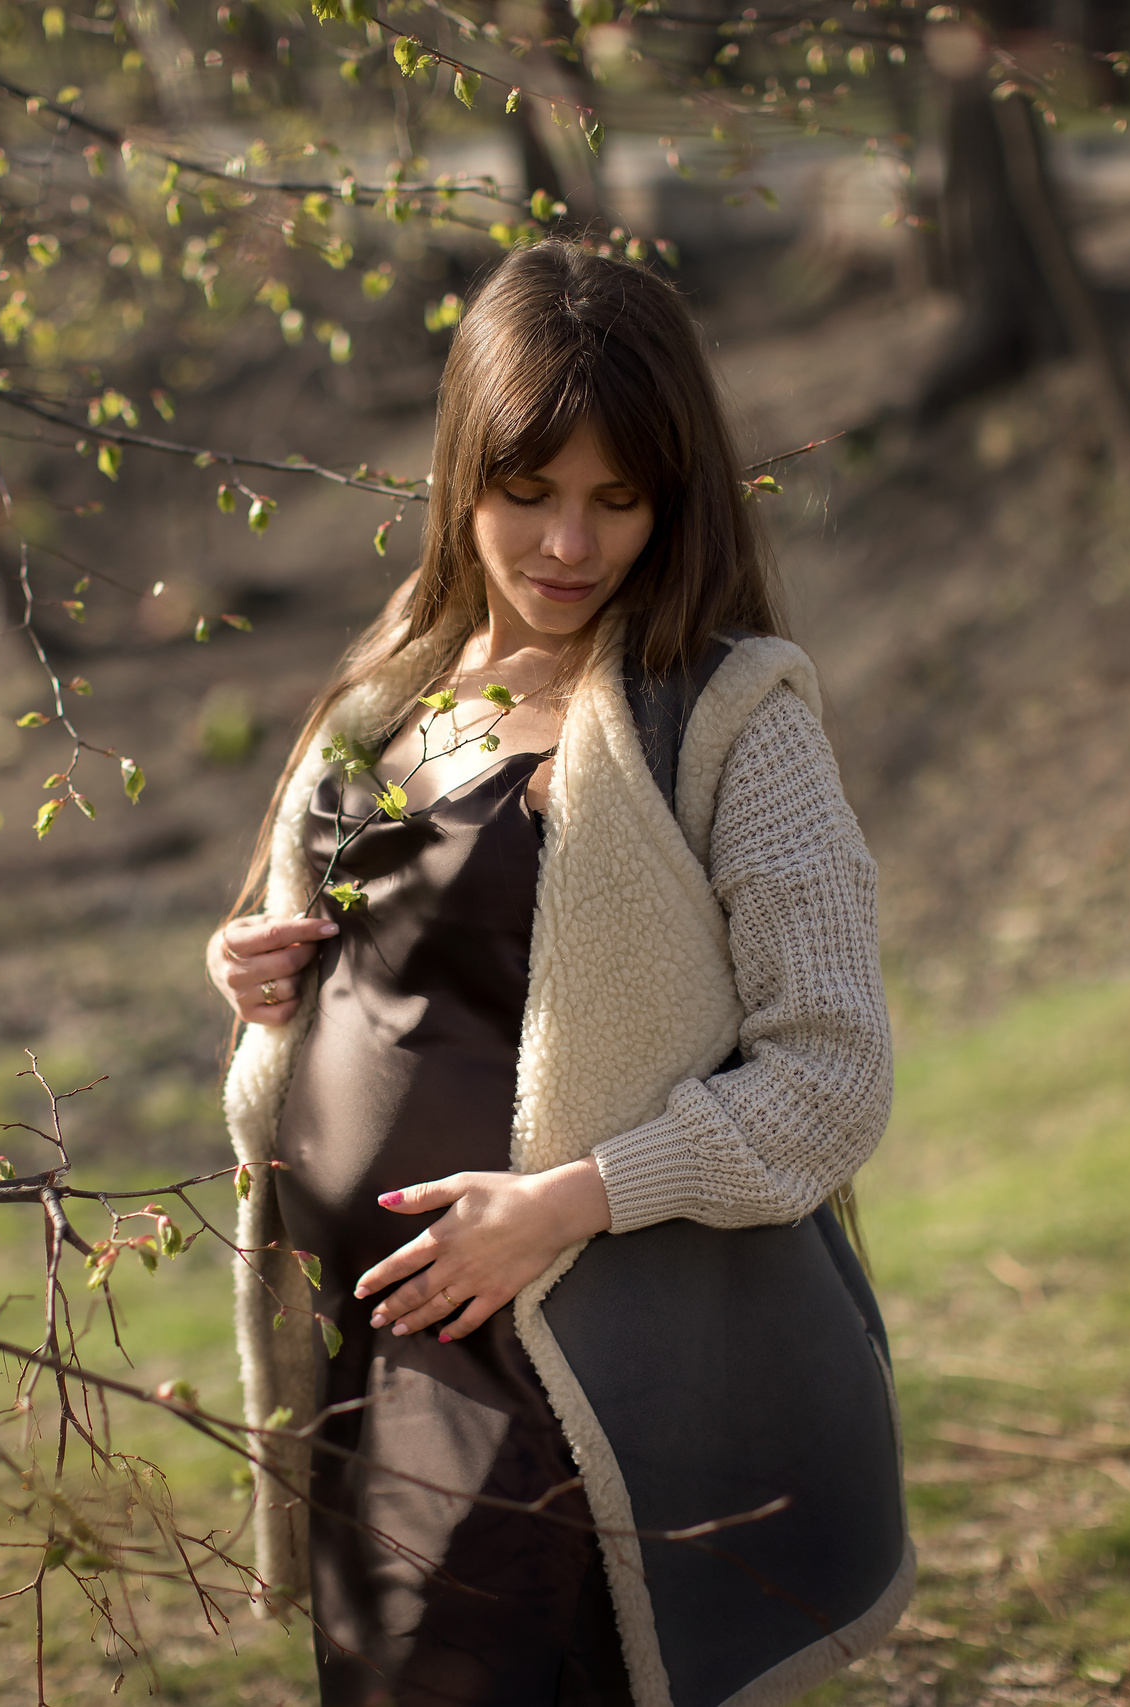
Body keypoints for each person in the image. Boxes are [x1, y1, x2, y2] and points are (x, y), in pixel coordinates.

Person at [205, 240, 912, 1707]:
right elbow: (329, 954)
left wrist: (562, 1207)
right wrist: (254, 972)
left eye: (617, 499)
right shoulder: (392, 679)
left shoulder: (725, 719)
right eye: (527, 494)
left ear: (676, 496)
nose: (569, 547)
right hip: (366, 1355)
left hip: (557, 1379)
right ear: (464, 470)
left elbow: (833, 1075)